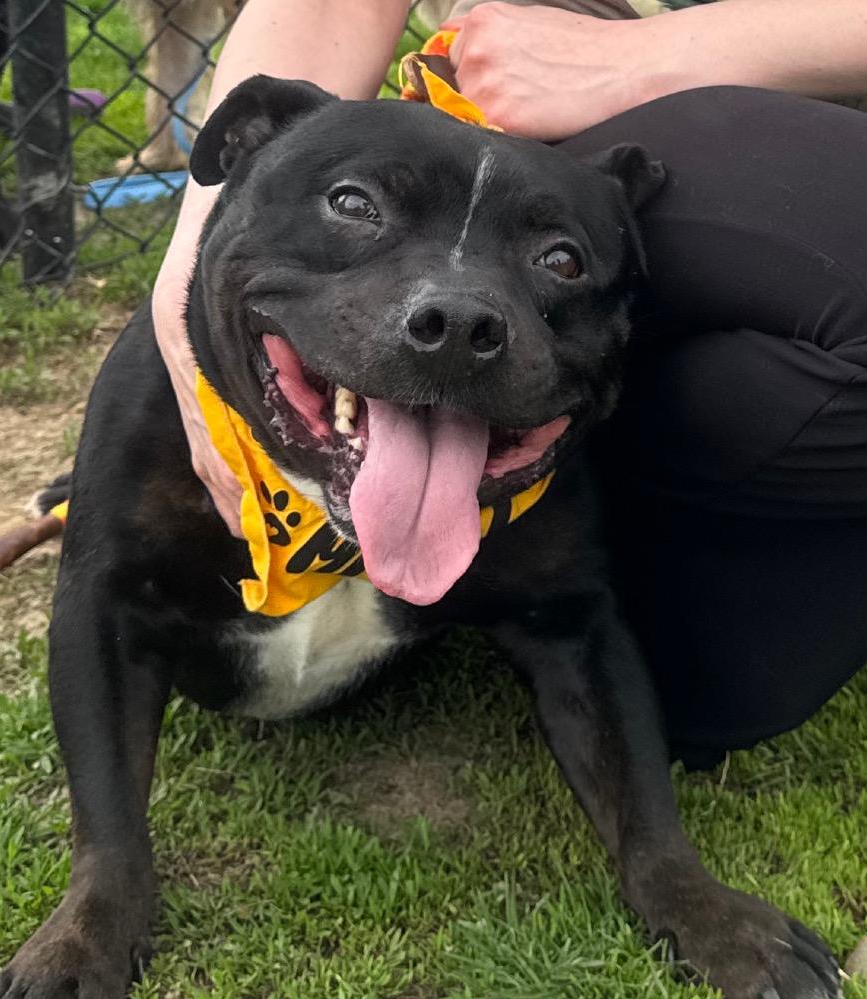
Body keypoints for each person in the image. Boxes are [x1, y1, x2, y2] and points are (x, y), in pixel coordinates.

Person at [151, 0, 867, 768]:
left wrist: (661, 50)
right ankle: (548, 511)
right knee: (706, 697)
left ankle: (564, 505)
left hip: (738, 83)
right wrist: (203, 249)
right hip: (546, 91)